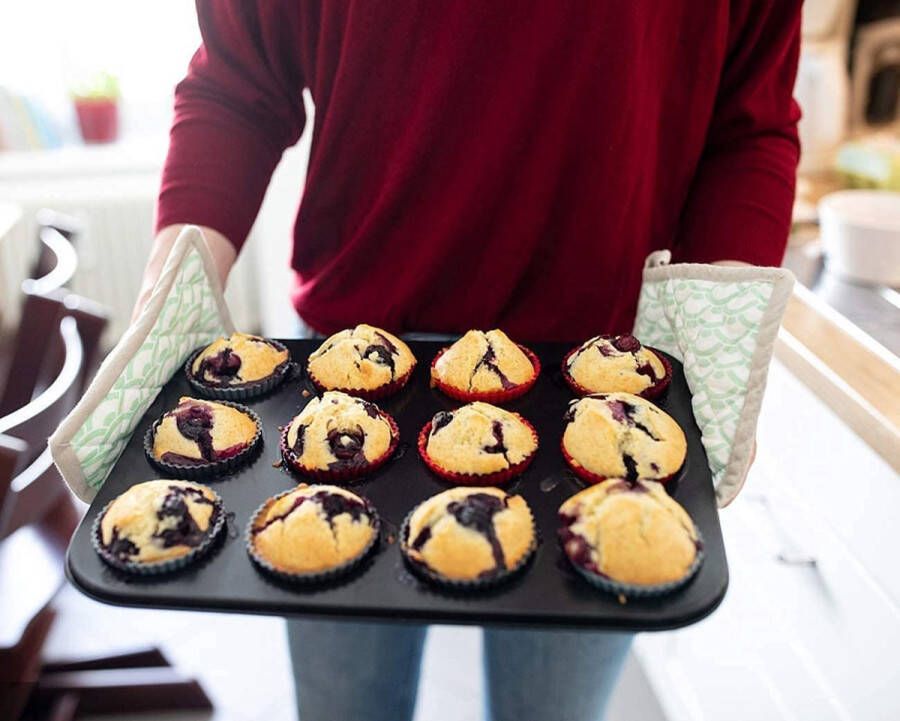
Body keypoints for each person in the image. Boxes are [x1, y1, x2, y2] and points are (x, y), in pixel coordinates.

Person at [134, 2, 802, 719]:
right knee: (343, 706)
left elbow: (749, 121)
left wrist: (718, 339)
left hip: (597, 380)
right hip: (345, 366)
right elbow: (238, 82)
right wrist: (166, 301)